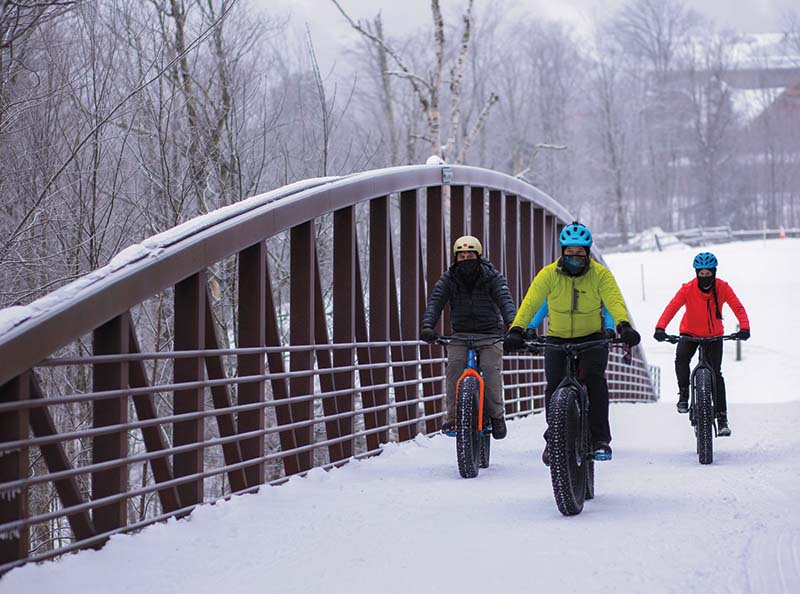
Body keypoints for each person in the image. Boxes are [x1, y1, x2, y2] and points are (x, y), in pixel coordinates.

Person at [503, 221, 640, 464]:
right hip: (557, 338)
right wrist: (517, 329)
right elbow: (531, 301)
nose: (575, 258)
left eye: (580, 254)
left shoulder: (600, 275)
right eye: (570, 253)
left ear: (588, 253)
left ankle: (600, 440)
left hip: (592, 338)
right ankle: (553, 438)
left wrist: (623, 326)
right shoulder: (548, 275)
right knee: (554, 385)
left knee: (595, 381)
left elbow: (614, 301)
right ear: (562, 252)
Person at [421, 235, 517, 439]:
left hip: (489, 334)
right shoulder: (449, 278)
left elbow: (505, 301)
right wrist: (428, 326)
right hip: (461, 334)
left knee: (491, 371)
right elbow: (435, 302)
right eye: (462, 256)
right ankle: (453, 418)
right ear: (456, 258)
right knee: (454, 368)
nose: (466, 259)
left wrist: (513, 326)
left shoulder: (492, 277)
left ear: (478, 256)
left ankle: (497, 417)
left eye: (470, 255)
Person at [653, 251, 750, 436]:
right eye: (701, 274)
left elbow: (737, 306)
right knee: (681, 359)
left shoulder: (723, 288)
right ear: (696, 273)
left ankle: (722, 418)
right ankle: (684, 393)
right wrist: (660, 327)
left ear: (714, 272)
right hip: (689, 333)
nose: (705, 277)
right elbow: (672, 307)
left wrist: (744, 327)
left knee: (716, 374)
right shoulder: (688, 289)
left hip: (714, 336)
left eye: (708, 274)